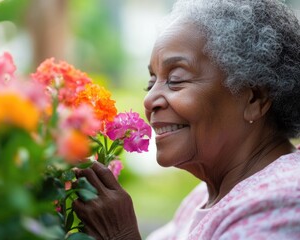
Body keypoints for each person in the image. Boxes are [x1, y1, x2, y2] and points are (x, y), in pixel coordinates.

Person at [72, 0, 300, 239]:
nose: (150, 100)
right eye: (151, 83)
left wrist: (121, 234)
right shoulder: (207, 195)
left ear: (255, 99)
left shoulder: (283, 201)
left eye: (176, 79)